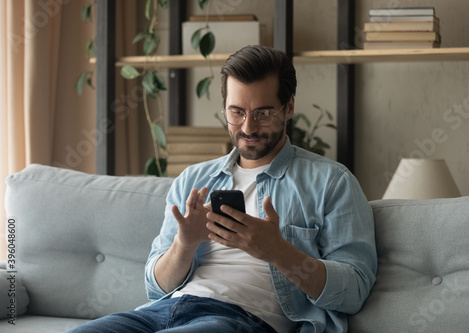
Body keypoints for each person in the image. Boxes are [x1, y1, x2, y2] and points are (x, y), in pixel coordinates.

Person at [68, 45, 377, 333]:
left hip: (241, 319)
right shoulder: (193, 179)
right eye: (237, 111)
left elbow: (355, 290)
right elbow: (156, 287)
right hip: (163, 312)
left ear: (289, 107)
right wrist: (184, 245)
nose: (248, 128)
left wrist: (278, 251)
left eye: (264, 113)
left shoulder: (331, 182)